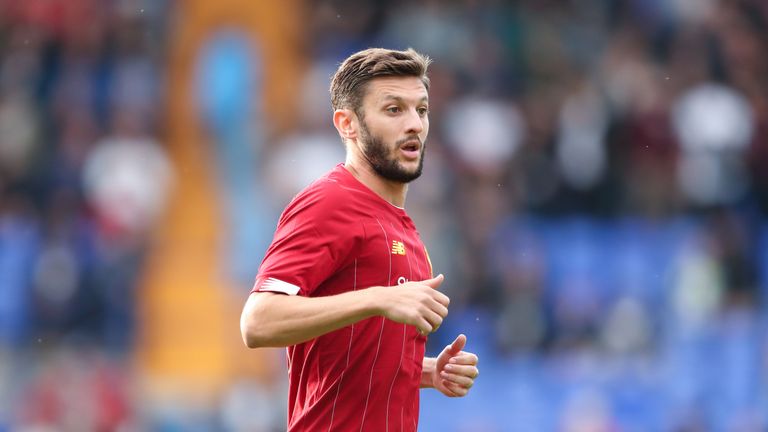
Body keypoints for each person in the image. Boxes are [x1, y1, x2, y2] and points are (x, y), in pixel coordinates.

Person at [240, 48, 479, 431]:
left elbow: (351, 352)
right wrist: (379, 298)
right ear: (347, 124)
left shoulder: (402, 226)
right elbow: (258, 321)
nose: (414, 124)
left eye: (421, 109)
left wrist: (427, 372)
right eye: (393, 110)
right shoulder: (329, 202)